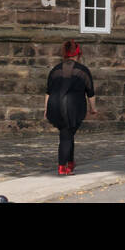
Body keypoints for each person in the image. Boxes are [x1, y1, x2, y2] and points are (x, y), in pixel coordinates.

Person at [45, 39, 95, 176]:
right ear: (78, 55)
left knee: (67, 134)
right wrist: (93, 108)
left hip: (55, 105)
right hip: (73, 107)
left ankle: (70, 163)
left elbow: (48, 92)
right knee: (66, 135)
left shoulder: (55, 70)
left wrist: (46, 110)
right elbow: (90, 93)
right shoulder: (83, 71)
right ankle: (63, 166)